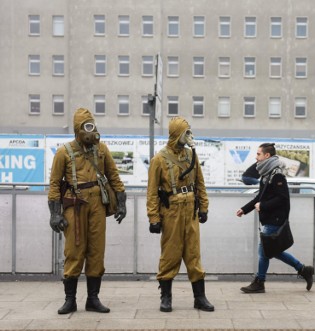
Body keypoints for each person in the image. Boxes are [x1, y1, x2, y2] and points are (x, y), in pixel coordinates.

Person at [48, 108, 127, 315]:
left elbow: (114, 176)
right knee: (74, 251)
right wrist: (55, 213)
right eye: (86, 127)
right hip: (75, 205)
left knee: (96, 251)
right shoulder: (64, 152)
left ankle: (93, 299)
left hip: (97, 205)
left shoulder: (101, 149)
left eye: (92, 126)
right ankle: (70, 300)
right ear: (77, 129)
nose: (91, 132)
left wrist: (121, 201)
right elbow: (55, 184)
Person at [146, 117, 214, 312]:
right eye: (186, 132)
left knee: (193, 254)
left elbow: (200, 182)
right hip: (171, 212)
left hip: (190, 210)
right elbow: (151, 192)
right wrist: (153, 217)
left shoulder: (191, 156)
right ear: (177, 134)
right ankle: (166, 297)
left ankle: (199, 297)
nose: (189, 136)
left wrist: (204, 207)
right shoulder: (159, 159)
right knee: (170, 254)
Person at [235, 143, 314, 293]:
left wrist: (263, 206)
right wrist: (244, 209)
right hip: (270, 218)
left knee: (264, 252)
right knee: (272, 251)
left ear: (267, 156)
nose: (256, 157)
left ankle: (260, 282)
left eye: (258, 154)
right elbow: (260, 197)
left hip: (275, 219)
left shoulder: (277, 174)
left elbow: (283, 198)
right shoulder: (267, 173)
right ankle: (303, 270)